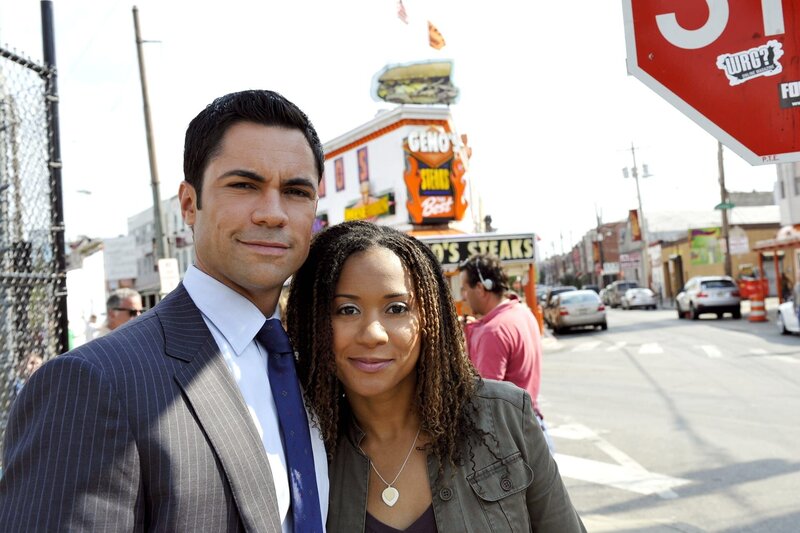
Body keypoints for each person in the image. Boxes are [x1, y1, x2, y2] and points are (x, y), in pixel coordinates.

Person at [0, 90, 328, 532]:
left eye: (295, 191)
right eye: (244, 185)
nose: (273, 213)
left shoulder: (324, 365)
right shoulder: (92, 383)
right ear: (189, 204)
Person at [287, 221, 585, 532]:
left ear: (430, 318)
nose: (373, 334)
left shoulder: (506, 418)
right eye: (347, 310)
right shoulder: (301, 447)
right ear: (315, 323)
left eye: (396, 308)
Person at [457, 254, 554, 451]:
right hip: (532, 425)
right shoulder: (522, 312)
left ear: (481, 289)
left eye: (465, 289)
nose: (464, 296)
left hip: (509, 439)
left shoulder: (493, 331)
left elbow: (483, 402)